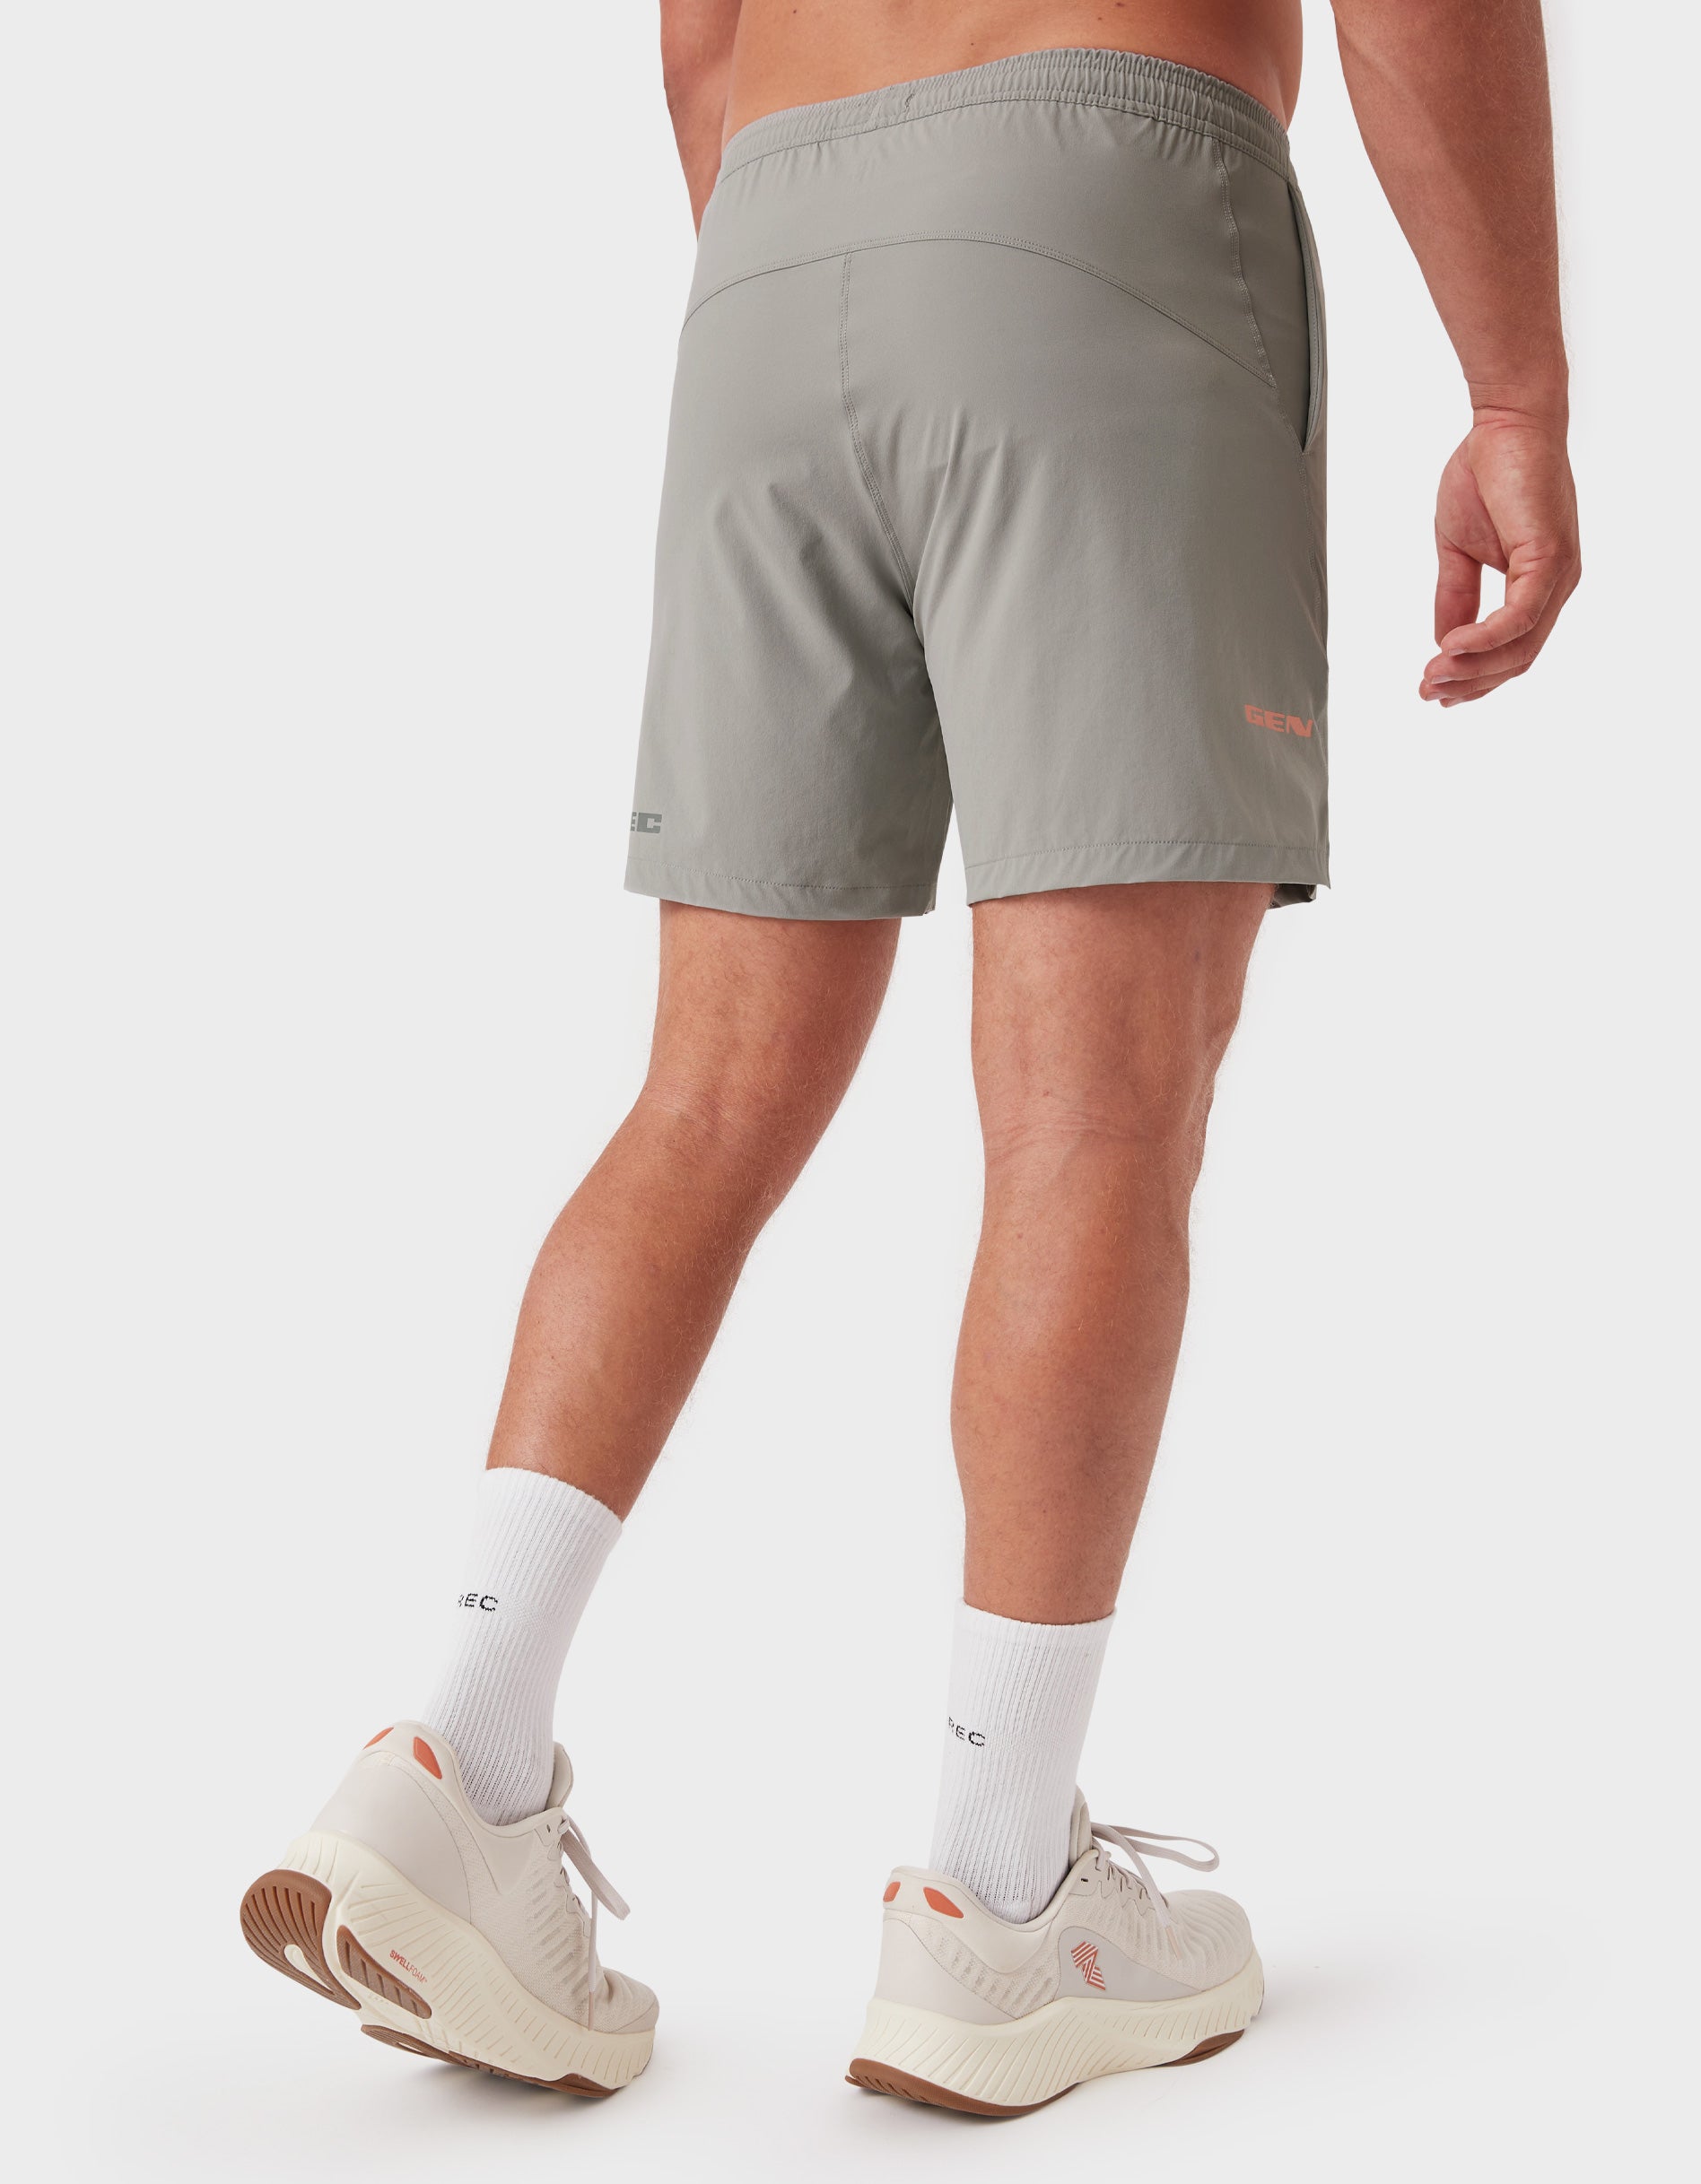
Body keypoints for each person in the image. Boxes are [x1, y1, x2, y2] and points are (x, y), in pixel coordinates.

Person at [240, 0, 1579, 2115]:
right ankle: (997, 1894)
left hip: (771, 250)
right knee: (1093, 1111)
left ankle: (451, 1765)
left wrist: (834, 253)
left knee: (702, 1097)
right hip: (1108, 202)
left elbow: (696, 43)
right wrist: (1517, 392)